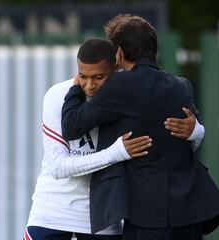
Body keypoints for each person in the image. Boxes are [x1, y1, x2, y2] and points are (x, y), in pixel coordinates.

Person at [61, 15, 219, 239]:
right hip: (189, 211)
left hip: (148, 215)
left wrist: (75, 88)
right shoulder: (180, 86)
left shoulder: (119, 86)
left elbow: (72, 126)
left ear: (119, 53)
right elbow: (194, 133)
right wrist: (197, 129)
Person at [25, 38, 204, 240]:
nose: (89, 85)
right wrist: (116, 153)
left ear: (116, 68)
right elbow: (58, 167)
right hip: (51, 213)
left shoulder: (131, 96)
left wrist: (197, 131)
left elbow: (168, 151)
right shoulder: (57, 95)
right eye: (83, 76)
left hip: (103, 218)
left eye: (99, 77)